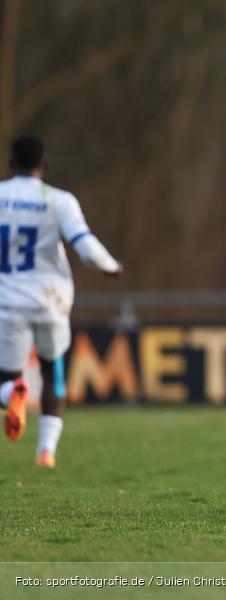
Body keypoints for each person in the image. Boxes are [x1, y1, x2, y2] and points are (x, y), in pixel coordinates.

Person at [0, 135, 122, 468]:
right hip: (51, 300)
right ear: (45, 164)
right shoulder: (59, 200)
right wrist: (111, 266)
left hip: (8, 301)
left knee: (7, 377)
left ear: (11, 164)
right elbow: (84, 245)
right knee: (53, 369)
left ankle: (15, 395)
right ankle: (46, 452)